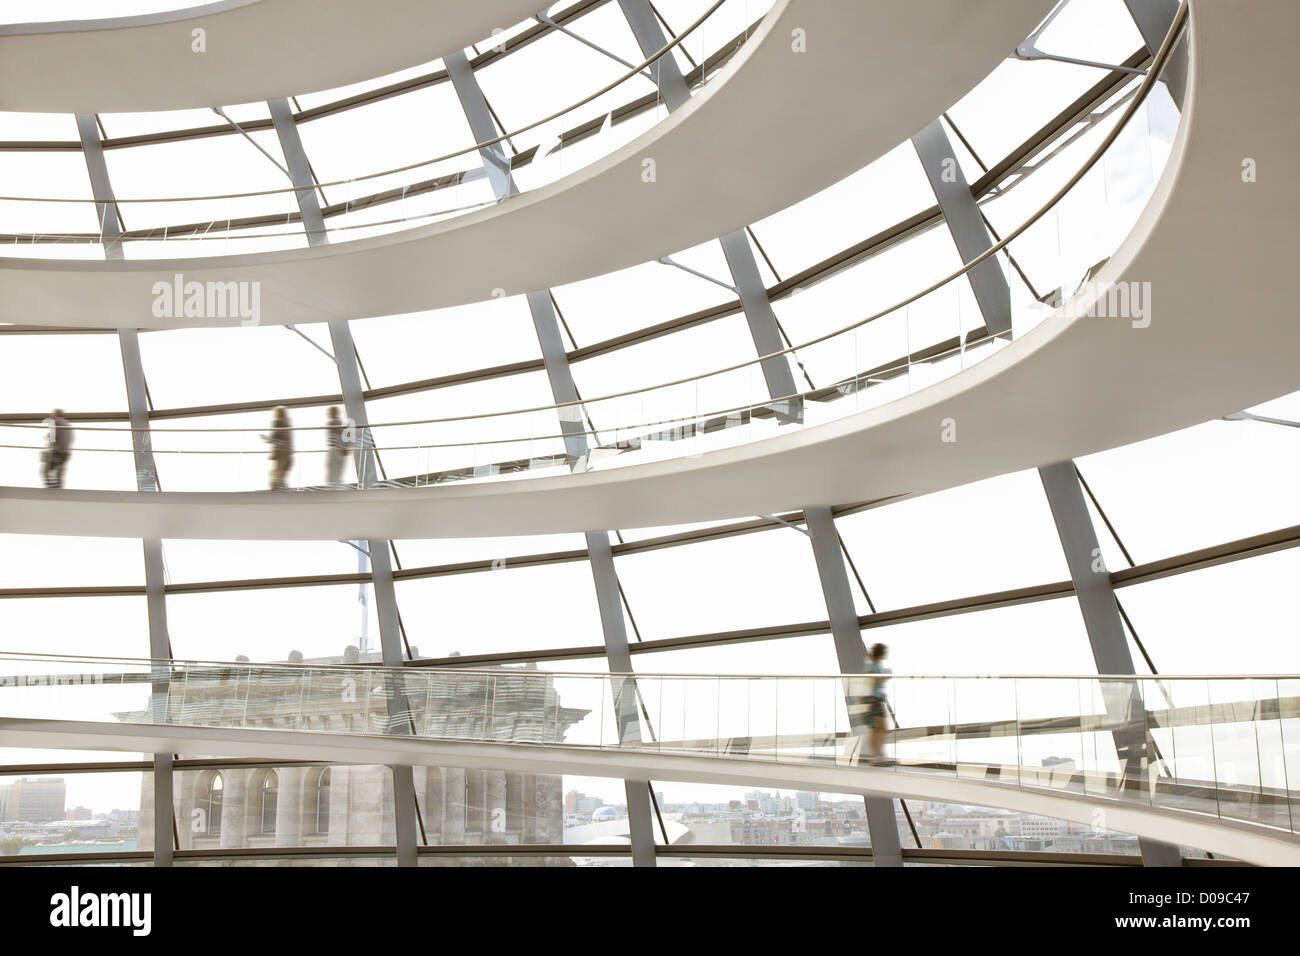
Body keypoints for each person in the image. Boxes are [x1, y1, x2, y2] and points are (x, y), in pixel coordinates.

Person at [864, 643, 892, 760]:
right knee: (879, 728)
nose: (887, 654)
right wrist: (885, 676)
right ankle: (877, 755)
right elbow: (870, 681)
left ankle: (878, 754)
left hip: (877, 699)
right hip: (874, 699)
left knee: (878, 728)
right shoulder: (872, 665)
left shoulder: (876, 665)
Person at [261, 406, 293, 490]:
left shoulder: (278, 422)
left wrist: (265, 438)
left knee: (276, 479)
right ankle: (285, 493)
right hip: (288, 455)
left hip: (281, 454)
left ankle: (280, 496)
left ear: (277, 413)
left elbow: (275, 439)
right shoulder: (288, 423)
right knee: (279, 478)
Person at [39, 409, 73, 488]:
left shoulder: (56, 422)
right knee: (58, 474)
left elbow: (53, 437)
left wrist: (47, 437)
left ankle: (51, 491)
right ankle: (57, 490)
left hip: (57, 452)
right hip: (66, 453)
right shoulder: (68, 424)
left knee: (45, 472)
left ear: (55, 415)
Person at [324, 406, 349, 487]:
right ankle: (336, 488)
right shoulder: (340, 423)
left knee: (331, 472)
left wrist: (342, 448)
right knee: (337, 472)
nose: (328, 414)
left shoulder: (333, 423)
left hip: (334, 450)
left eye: (329, 412)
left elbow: (335, 438)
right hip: (339, 450)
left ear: (334, 413)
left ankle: (331, 489)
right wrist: (345, 447)